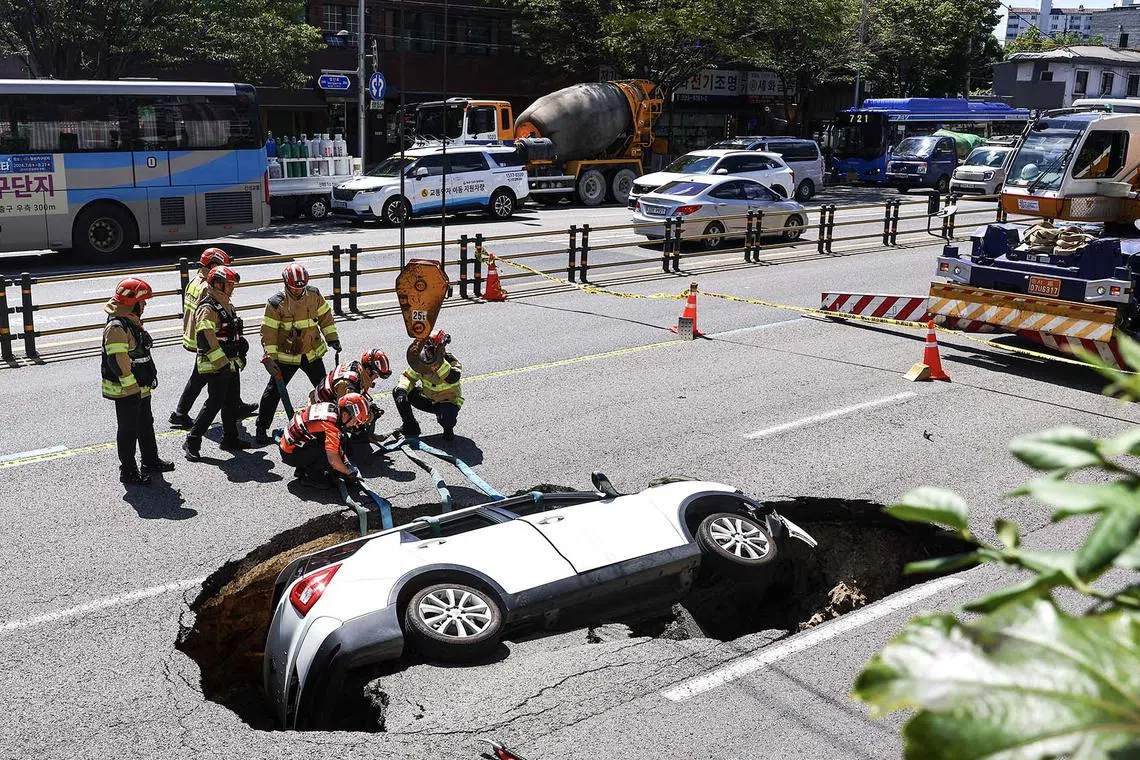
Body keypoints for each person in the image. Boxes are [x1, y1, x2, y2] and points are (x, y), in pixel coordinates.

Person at [170, 247, 257, 428]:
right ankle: (181, 414)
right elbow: (208, 319)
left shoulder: (194, 281)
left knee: (205, 377)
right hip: (207, 340)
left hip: (193, 335)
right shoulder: (207, 288)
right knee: (203, 378)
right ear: (213, 265)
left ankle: (235, 403)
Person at [255, 264, 341, 444]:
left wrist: (332, 338)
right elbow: (268, 333)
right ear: (286, 283)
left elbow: (326, 317)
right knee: (273, 392)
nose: (298, 290)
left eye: (301, 286)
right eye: (294, 287)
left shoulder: (314, 294)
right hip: (287, 357)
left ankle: (332, 423)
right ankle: (261, 428)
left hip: (311, 353)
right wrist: (271, 359)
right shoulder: (276, 303)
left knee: (324, 390)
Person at [101, 277, 175, 485]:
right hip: (127, 389)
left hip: (138, 386)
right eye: (143, 301)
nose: (145, 305)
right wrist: (131, 386)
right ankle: (129, 472)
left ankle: (150, 461)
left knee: (145, 424)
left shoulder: (129, 321)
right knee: (128, 430)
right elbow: (117, 360)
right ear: (132, 303)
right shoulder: (117, 327)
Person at [184, 265, 253, 461]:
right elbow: (206, 339)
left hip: (229, 363)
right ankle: (192, 440)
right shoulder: (208, 307)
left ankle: (230, 438)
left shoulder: (225, 304)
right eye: (229, 284)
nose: (232, 288)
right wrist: (222, 362)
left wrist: (240, 345)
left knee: (230, 402)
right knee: (214, 403)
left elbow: (227, 332)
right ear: (217, 284)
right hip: (215, 365)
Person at [278, 393, 370, 487]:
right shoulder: (331, 427)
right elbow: (333, 460)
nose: (356, 425)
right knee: (326, 454)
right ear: (345, 415)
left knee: (340, 439)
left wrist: (345, 463)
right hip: (290, 454)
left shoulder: (331, 407)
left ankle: (303, 469)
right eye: (355, 421)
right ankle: (311, 478)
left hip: (291, 445)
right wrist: (348, 472)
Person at [393, 330, 462, 440]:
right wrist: (402, 391)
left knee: (447, 415)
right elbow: (408, 377)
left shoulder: (450, 361)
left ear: (440, 349)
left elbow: (452, 377)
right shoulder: (421, 360)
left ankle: (448, 430)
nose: (427, 351)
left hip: (447, 402)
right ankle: (410, 426)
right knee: (398, 391)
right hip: (429, 400)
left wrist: (437, 363)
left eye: (431, 349)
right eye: (426, 347)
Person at [309, 349, 392, 441]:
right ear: (368, 370)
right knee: (361, 416)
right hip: (321, 414)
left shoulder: (356, 367)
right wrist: (370, 416)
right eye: (376, 375)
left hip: (326, 400)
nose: (376, 378)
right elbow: (345, 412)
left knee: (365, 410)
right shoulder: (348, 384)